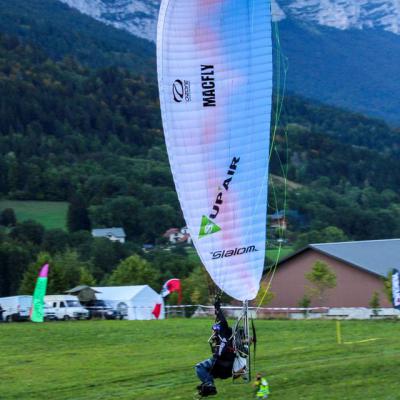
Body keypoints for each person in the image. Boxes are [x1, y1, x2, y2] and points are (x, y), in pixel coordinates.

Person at [195, 299, 236, 397]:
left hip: (222, 364)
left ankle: (209, 384)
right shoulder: (224, 338)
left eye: (214, 330)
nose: (213, 333)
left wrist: (218, 309)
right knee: (205, 370)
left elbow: (223, 322)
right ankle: (208, 385)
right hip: (225, 369)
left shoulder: (224, 334)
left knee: (199, 367)